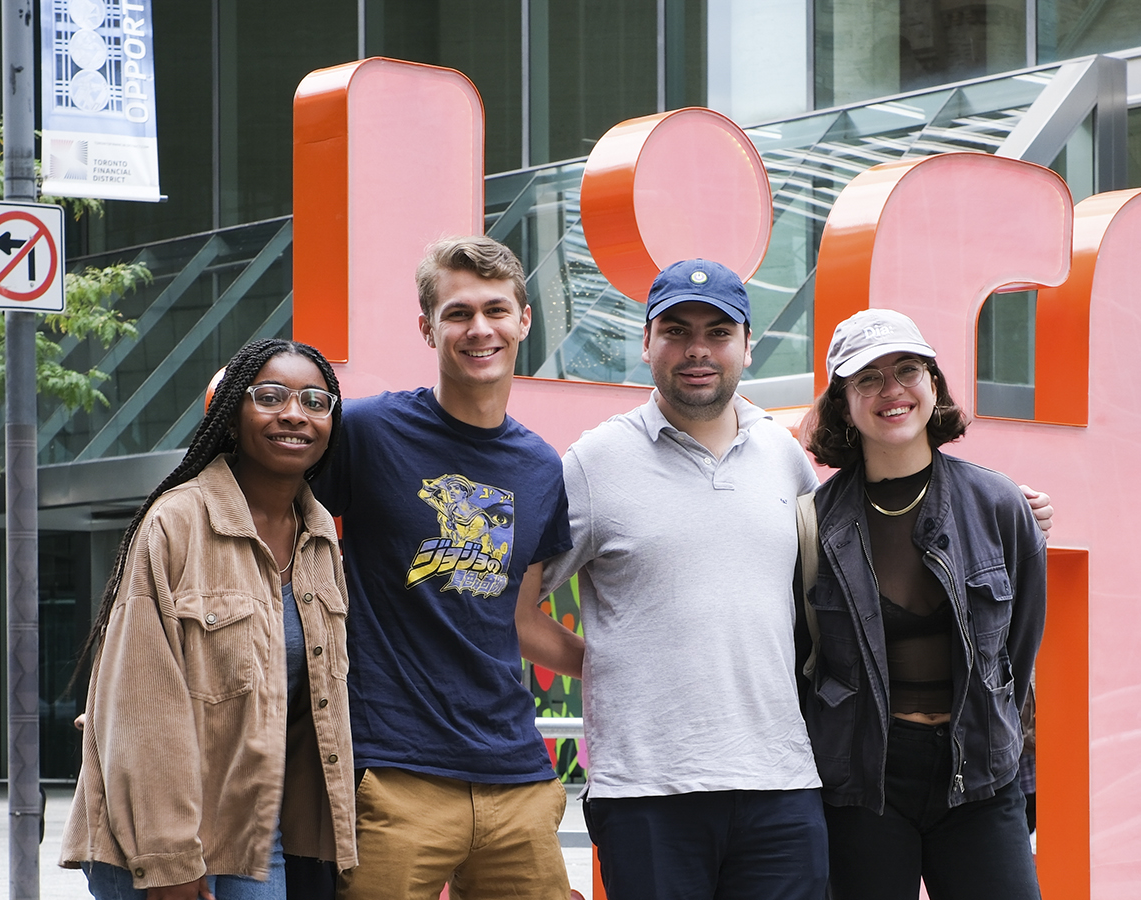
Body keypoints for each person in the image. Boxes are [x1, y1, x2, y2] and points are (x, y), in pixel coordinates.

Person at [538, 261, 1051, 900]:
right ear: (646, 342)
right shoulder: (597, 462)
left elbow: (1017, 648)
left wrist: (1017, 514)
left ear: (747, 346)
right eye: (676, 330)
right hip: (698, 786)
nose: (698, 348)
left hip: (812, 782)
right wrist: (610, 662)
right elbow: (513, 603)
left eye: (719, 331)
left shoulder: (785, 460)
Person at [312, 236, 583, 900]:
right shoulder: (368, 433)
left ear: (524, 319)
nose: (479, 328)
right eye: (458, 313)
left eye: (496, 309)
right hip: (397, 771)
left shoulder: (542, 468)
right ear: (429, 327)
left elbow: (519, 617)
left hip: (515, 775)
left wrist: (627, 664)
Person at [60, 338, 356, 900]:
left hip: (256, 836)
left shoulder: (320, 542)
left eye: (315, 402)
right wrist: (171, 859)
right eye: (270, 396)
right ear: (229, 414)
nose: (295, 413)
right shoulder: (175, 522)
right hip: (154, 844)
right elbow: (139, 710)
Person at [801, 308, 1047, 900]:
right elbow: (802, 660)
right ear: (843, 403)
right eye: (867, 379)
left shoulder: (998, 504)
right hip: (863, 780)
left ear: (933, 385)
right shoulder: (815, 523)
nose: (891, 391)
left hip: (980, 777)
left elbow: (1019, 651)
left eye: (906, 370)